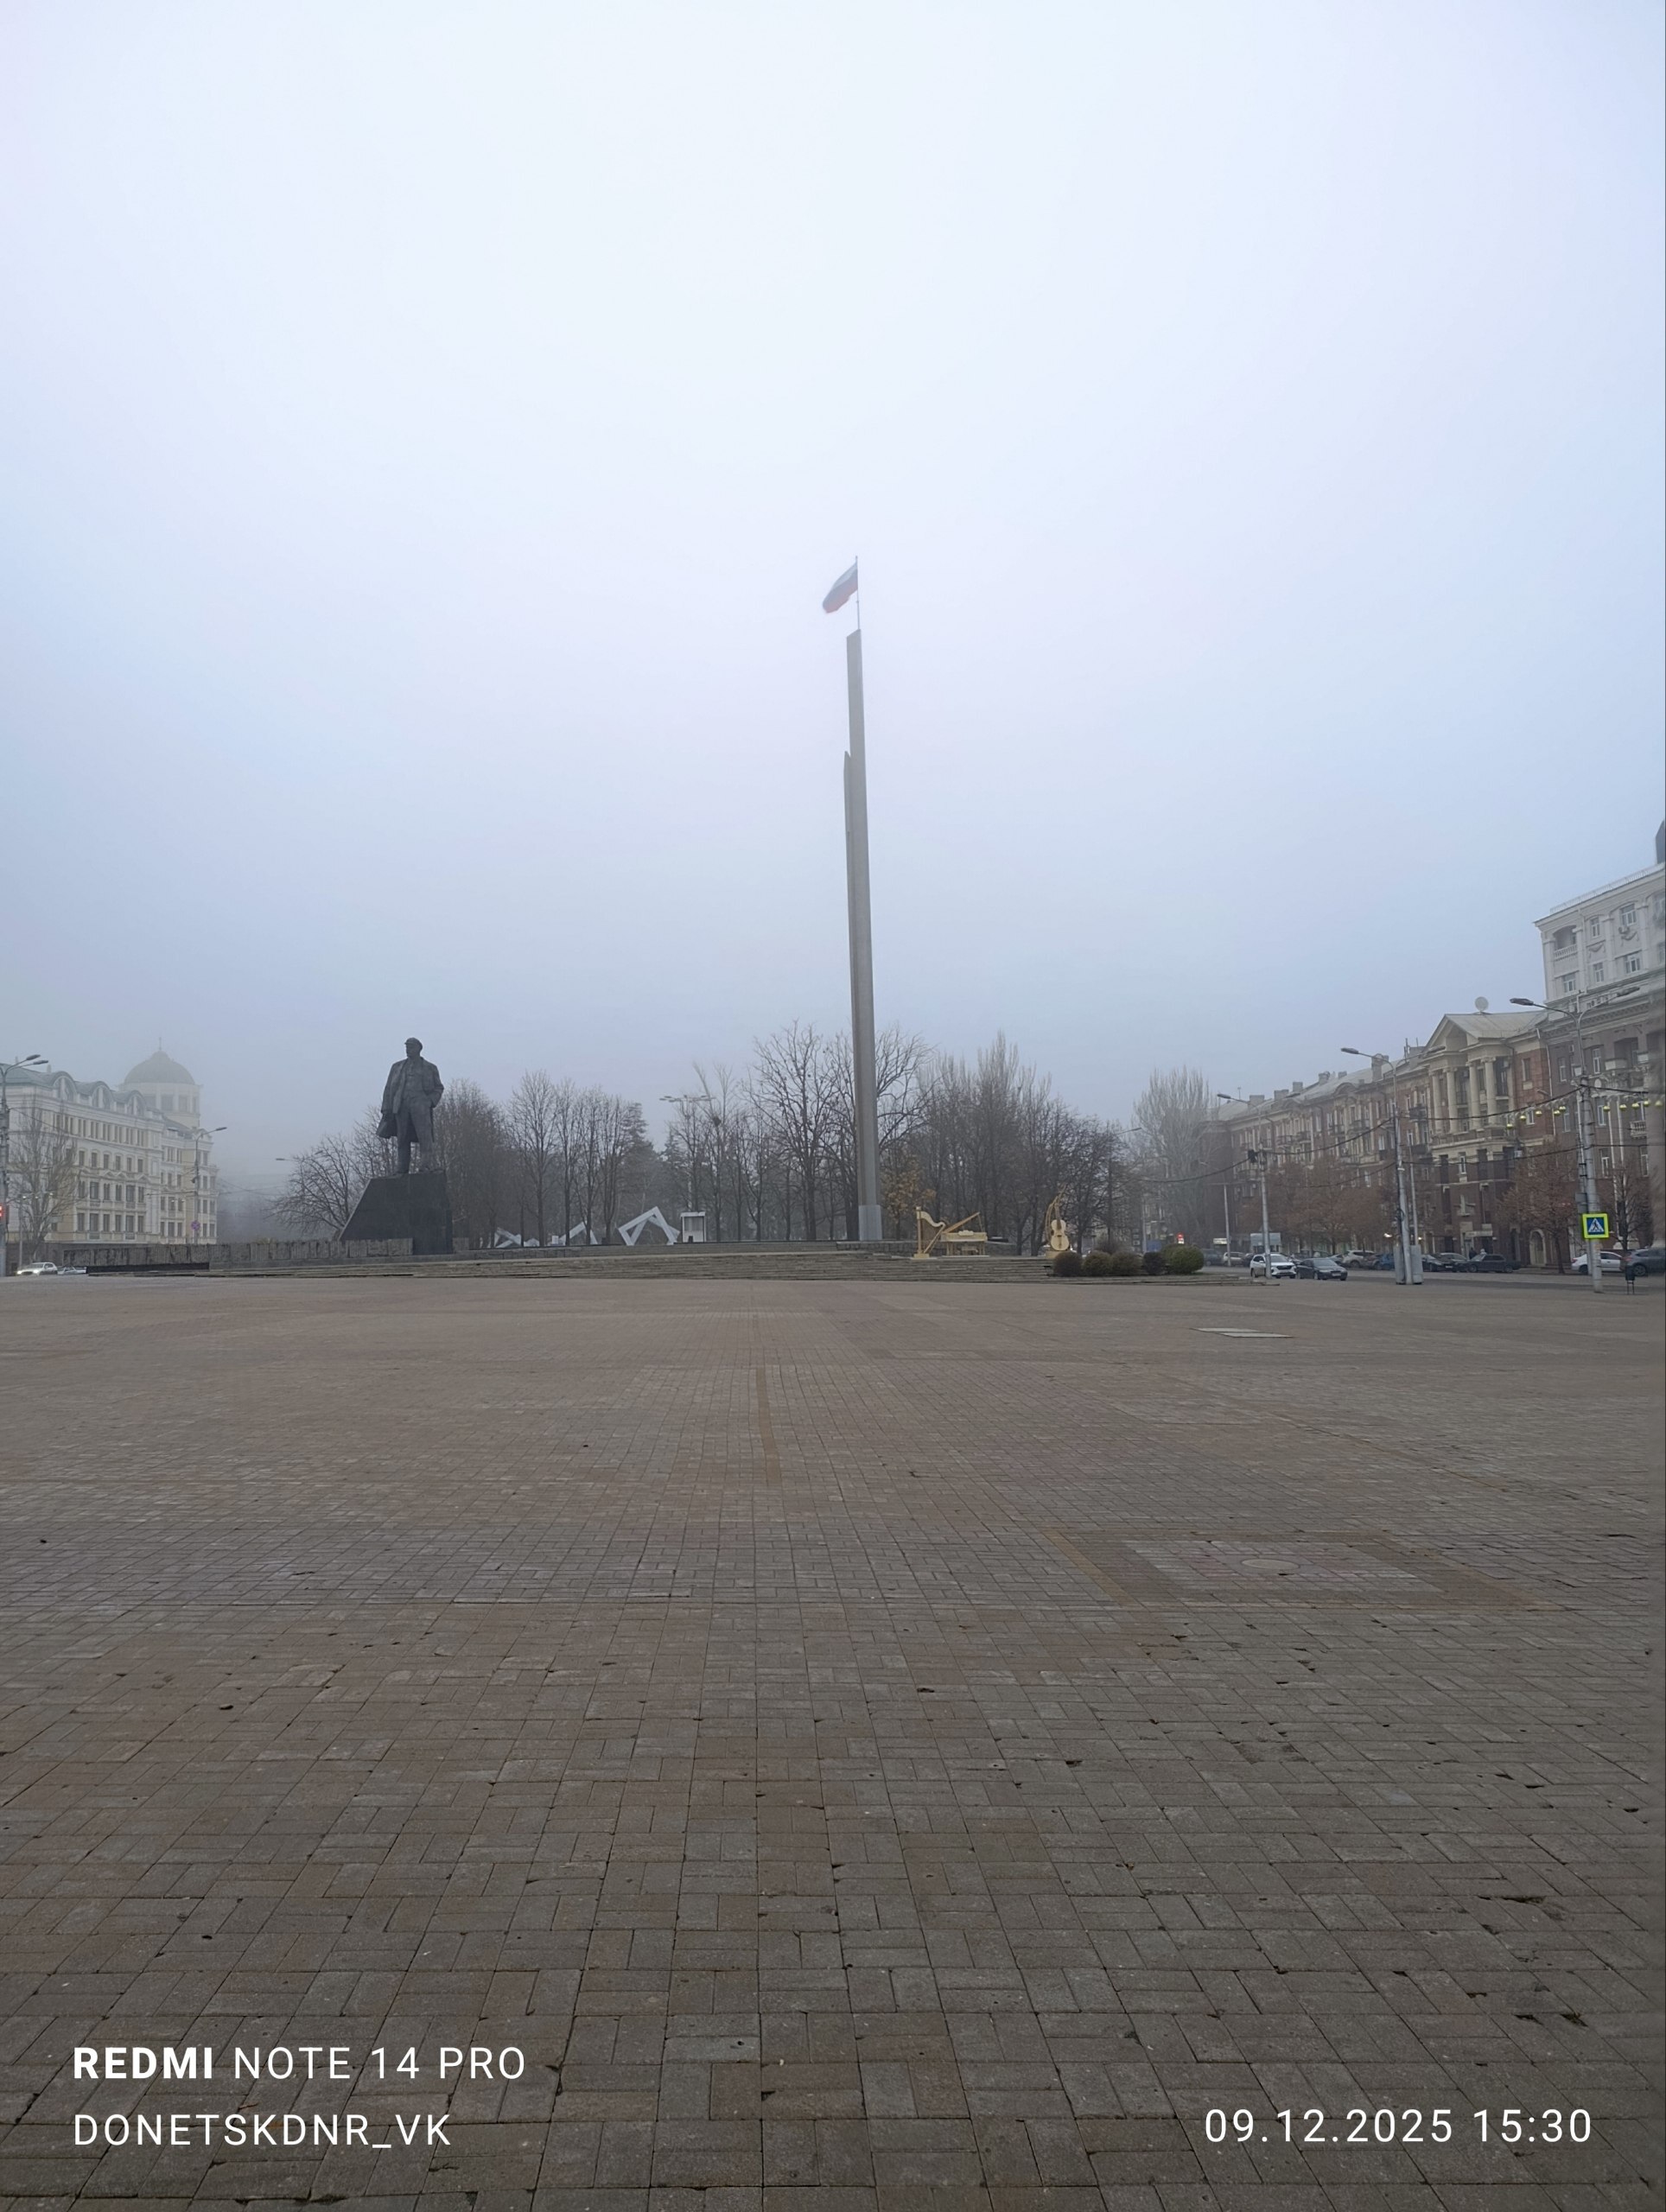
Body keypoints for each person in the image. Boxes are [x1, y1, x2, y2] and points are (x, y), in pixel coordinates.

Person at [378, 1038, 444, 1175]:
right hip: (401, 1106)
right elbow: (389, 1088)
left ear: (419, 1048)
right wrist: (387, 1108)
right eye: (407, 1047)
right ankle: (402, 1168)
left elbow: (439, 1088)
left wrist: (430, 1101)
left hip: (421, 1106)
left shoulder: (430, 1068)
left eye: (411, 1047)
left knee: (424, 1137)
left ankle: (426, 1166)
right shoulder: (397, 1067)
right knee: (402, 1138)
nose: (408, 1050)